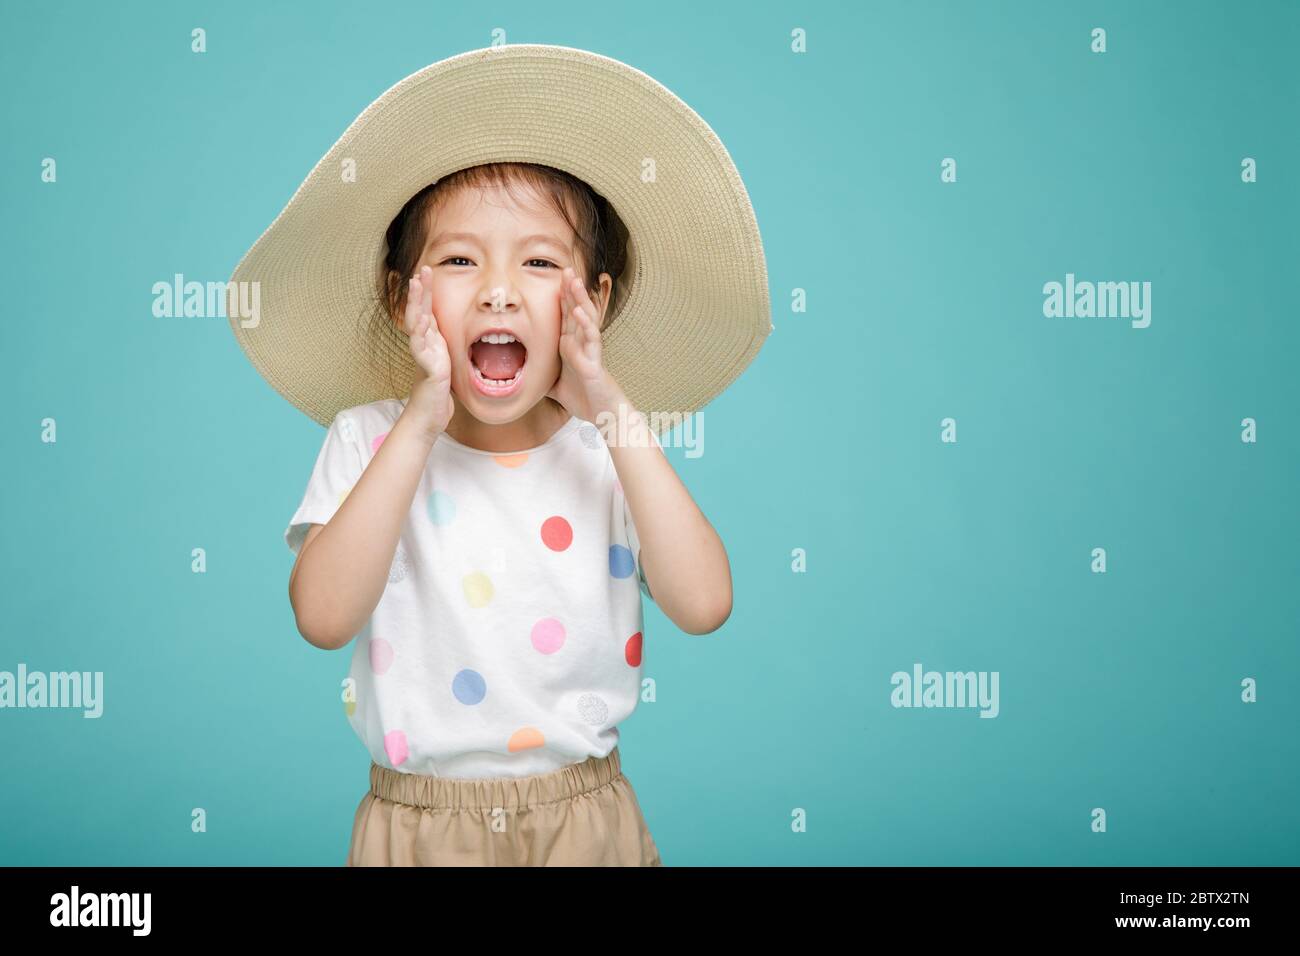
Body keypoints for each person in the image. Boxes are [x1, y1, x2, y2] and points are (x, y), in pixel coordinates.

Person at [226, 44, 771, 866]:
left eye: (541, 262)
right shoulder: (371, 439)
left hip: (584, 819)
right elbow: (322, 616)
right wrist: (418, 423)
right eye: (458, 260)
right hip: (417, 826)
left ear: (594, 302)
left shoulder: (607, 451)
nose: (498, 290)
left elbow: (703, 603)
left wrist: (612, 406)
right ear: (398, 294)